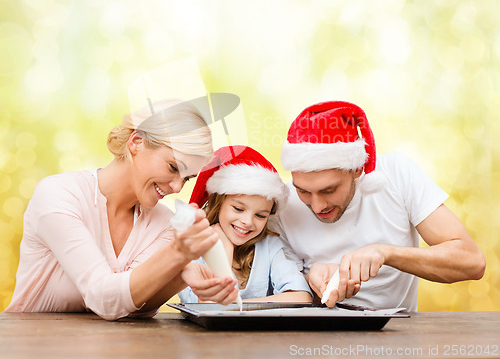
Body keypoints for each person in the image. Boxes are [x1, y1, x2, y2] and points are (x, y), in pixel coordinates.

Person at [5, 99, 239, 320]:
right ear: (137, 142)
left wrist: (179, 276)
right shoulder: (59, 195)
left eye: (187, 178)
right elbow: (102, 298)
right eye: (173, 167)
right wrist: (177, 255)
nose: (177, 187)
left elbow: (131, 307)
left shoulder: (164, 224)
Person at [271, 100, 486, 312]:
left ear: (357, 168)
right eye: (303, 191)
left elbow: (471, 262)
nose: (317, 206)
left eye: (329, 190)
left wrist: (386, 254)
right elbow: (274, 294)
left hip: (395, 337)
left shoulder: (397, 175)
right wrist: (311, 282)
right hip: (312, 341)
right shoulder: (282, 204)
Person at [178, 145, 312, 303]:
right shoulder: (192, 249)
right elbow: (207, 306)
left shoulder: (270, 247)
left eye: (260, 215)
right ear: (218, 203)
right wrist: (224, 253)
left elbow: (301, 297)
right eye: (238, 208)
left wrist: (236, 306)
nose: (247, 222)